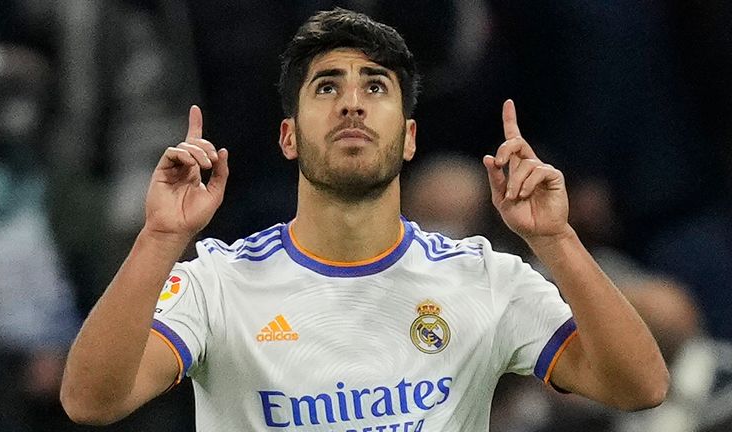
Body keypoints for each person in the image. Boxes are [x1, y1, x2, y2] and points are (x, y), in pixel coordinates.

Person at [60, 8, 669, 431]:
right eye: (326, 87)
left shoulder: (484, 278)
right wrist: (161, 239)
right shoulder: (217, 283)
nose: (352, 101)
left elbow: (640, 388)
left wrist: (557, 241)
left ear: (408, 139)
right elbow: (90, 401)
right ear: (289, 137)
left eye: (375, 86)